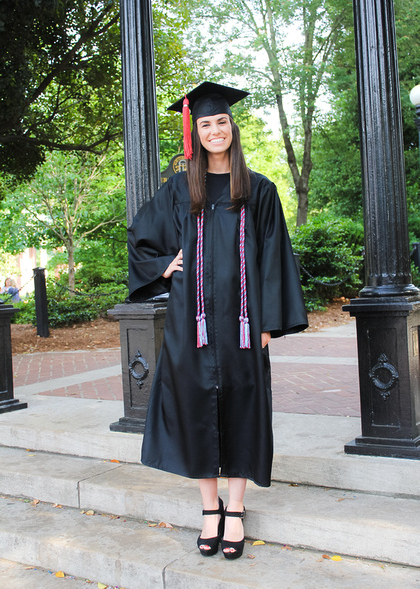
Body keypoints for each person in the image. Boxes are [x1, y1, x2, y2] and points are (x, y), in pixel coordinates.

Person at [128, 82, 308, 560]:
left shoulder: (260, 190)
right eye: (204, 123)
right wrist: (165, 265)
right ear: (196, 131)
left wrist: (269, 322)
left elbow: (274, 258)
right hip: (194, 321)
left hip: (246, 326)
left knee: (243, 409)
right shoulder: (179, 188)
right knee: (195, 408)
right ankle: (210, 509)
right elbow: (142, 238)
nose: (214, 131)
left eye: (221, 122)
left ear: (233, 127)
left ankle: (237, 508)